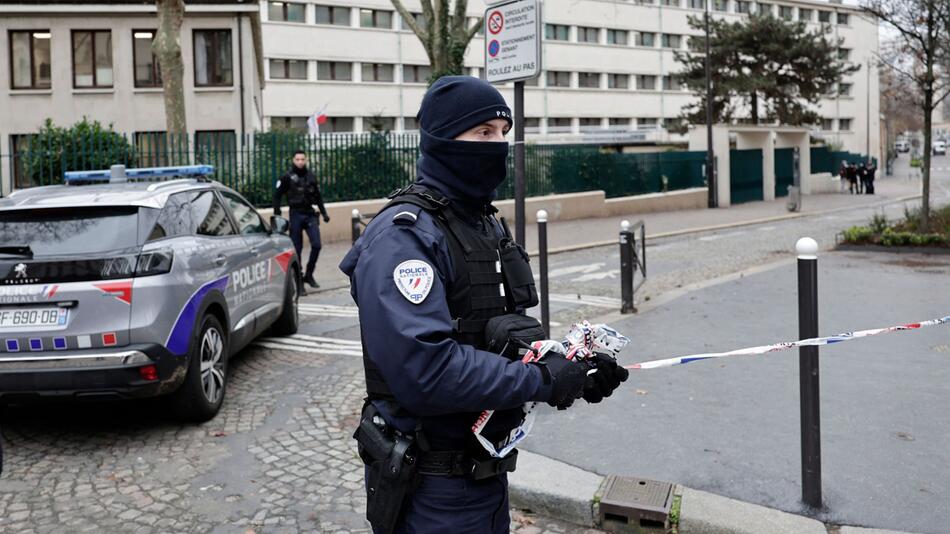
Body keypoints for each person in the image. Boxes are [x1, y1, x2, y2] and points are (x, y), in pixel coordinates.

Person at [340, 76, 629, 533]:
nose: (497, 144)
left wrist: (572, 368)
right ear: (442, 139)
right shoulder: (405, 237)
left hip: (486, 477)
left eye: (502, 132)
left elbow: (494, 335)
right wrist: (540, 381)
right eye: (483, 133)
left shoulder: (481, 224)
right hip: (431, 487)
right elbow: (427, 371)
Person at [273, 150, 329, 288]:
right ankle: (298, 281)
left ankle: (309, 275)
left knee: (316, 245)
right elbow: (277, 195)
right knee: (297, 248)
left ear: (306, 160)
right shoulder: (286, 177)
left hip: (309, 214)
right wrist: (277, 212)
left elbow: (318, 196)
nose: (300, 162)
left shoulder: (311, 176)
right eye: (297, 159)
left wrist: (324, 213)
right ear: (293, 160)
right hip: (296, 214)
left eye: (302, 159)